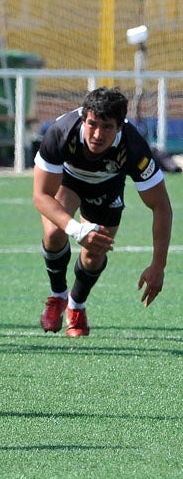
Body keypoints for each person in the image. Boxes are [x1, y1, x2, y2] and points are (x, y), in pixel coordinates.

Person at [34, 87, 171, 337]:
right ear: (84, 117)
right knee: (54, 233)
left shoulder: (134, 146)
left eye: (107, 127)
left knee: (94, 253)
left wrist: (158, 266)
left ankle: (76, 305)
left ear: (119, 127)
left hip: (108, 188)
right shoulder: (60, 133)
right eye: (92, 124)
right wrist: (77, 229)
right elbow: (41, 195)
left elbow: (160, 205)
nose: (97, 134)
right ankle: (57, 296)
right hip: (69, 181)